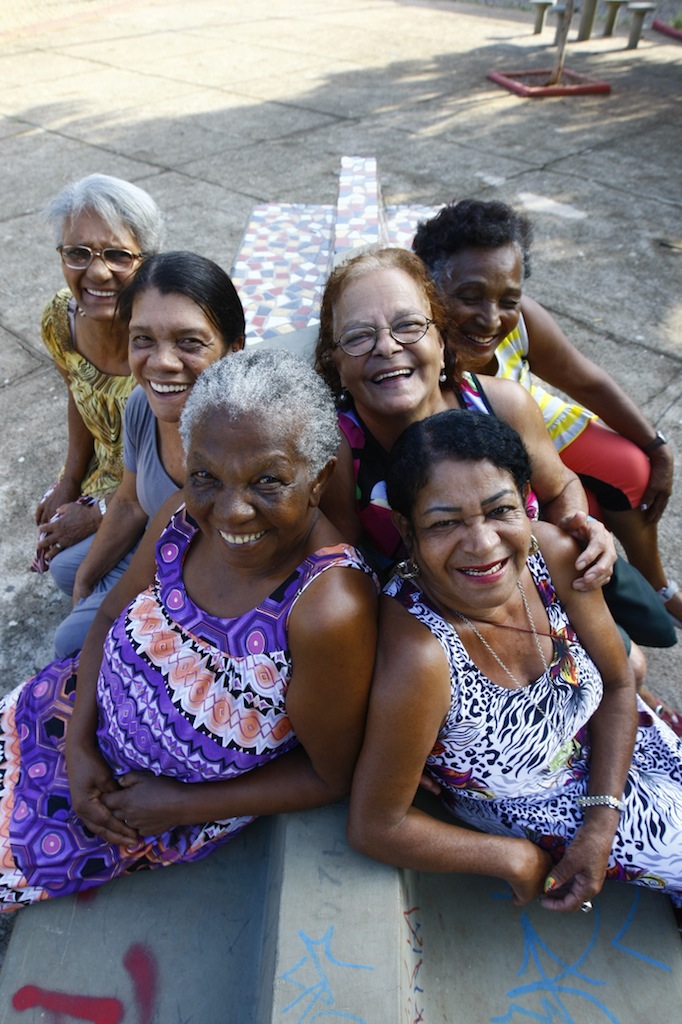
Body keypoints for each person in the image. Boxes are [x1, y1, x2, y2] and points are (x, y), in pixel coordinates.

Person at [0, 349, 377, 908]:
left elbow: (329, 775)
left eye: (267, 480)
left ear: (318, 479)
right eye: (206, 475)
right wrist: (79, 743)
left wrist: (177, 806)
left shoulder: (325, 610)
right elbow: (107, 616)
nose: (230, 511)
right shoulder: (180, 518)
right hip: (60, 713)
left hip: (134, 810)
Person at [348, 410, 682, 913]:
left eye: (499, 511)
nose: (482, 545)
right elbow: (377, 824)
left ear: (526, 501)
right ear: (406, 527)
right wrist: (511, 858)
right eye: (444, 522)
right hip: (548, 809)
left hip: (627, 740)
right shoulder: (421, 656)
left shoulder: (550, 554)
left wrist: (601, 819)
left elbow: (616, 685)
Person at [411, 199, 680, 635]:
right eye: (469, 296)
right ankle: (592, 615)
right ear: (429, 287)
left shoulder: (520, 321)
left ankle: (657, 585)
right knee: (558, 527)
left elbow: (585, 380)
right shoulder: (415, 353)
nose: (490, 317)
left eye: (508, 298)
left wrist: (657, 446)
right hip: (494, 462)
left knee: (634, 470)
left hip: (540, 423)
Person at [314, 246, 614, 588]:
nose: (387, 347)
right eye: (358, 336)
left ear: (441, 342)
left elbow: (560, 488)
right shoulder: (336, 450)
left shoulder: (504, 405)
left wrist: (579, 535)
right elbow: (346, 565)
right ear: (335, 362)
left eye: (409, 325)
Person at [53, 251, 246, 658]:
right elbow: (128, 502)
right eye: (143, 339)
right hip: (156, 541)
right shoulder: (142, 405)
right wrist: (88, 580)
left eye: (189, 342)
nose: (161, 363)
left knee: (70, 642)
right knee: (66, 570)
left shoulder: (248, 437)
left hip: (208, 574)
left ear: (233, 349)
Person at [34, 173, 164, 591]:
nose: (98, 272)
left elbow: (180, 464)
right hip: (103, 473)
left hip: (155, 487)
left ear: (146, 258)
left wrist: (100, 512)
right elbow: (78, 394)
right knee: (51, 541)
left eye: (117, 255)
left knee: (71, 569)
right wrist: (69, 481)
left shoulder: (165, 336)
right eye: (78, 252)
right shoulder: (60, 318)